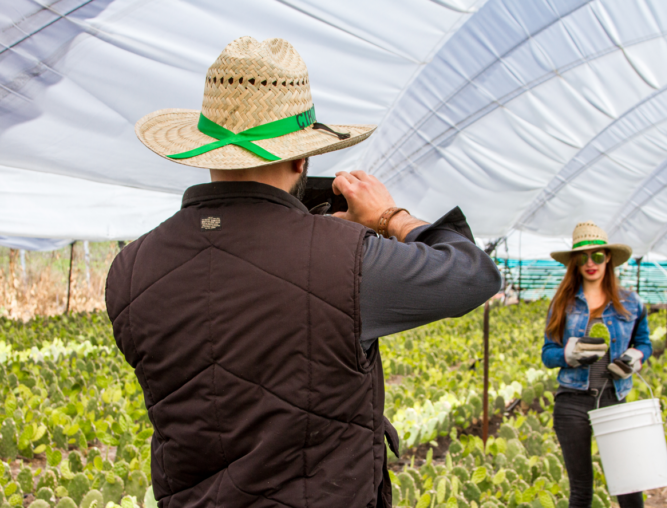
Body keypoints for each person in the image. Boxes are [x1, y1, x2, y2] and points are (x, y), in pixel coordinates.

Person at [105, 37, 501, 508]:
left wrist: (317, 236)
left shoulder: (129, 270)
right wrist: (388, 217)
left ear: (207, 153)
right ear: (301, 157)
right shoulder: (349, 260)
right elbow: (473, 274)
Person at [541, 221, 652, 508]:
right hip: (572, 402)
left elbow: (644, 344)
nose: (591, 263)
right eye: (583, 257)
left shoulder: (630, 302)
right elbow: (547, 354)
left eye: (598, 256)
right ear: (575, 263)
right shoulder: (563, 304)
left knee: (629, 486)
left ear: (608, 259)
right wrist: (568, 354)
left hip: (614, 398)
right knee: (581, 492)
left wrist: (634, 359)